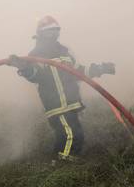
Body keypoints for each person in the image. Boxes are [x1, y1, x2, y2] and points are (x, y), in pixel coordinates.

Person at [8, 16, 115, 162]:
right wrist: (24, 68)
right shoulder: (36, 54)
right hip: (57, 105)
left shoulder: (64, 52)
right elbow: (36, 75)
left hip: (71, 103)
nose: (53, 35)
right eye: (48, 32)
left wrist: (101, 69)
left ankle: (58, 162)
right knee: (72, 135)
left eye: (55, 31)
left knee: (70, 136)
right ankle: (63, 166)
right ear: (40, 33)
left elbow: (79, 72)